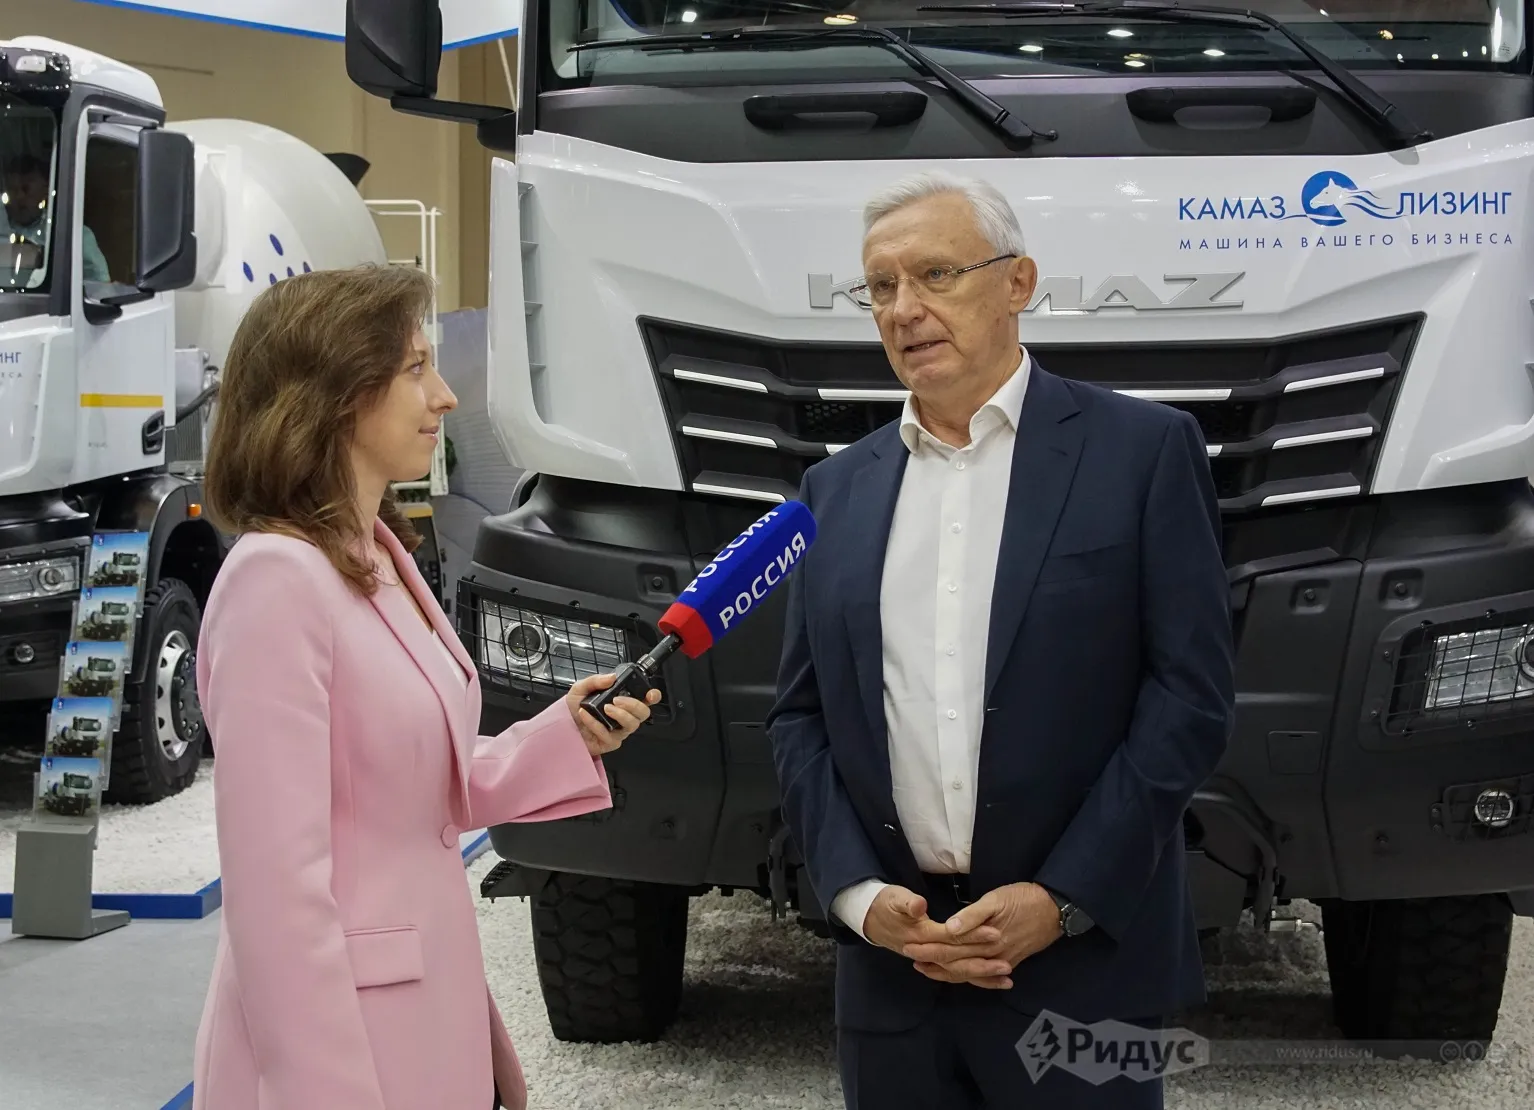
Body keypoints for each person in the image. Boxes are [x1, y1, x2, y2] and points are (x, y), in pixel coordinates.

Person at [766, 171, 1236, 1109]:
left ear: (1018, 283)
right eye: (882, 286)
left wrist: (1061, 899)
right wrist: (859, 896)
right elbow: (800, 717)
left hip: (1082, 969)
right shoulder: (835, 491)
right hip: (897, 976)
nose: (905, 309)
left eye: (936, 274)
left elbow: (1189, 697)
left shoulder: (1141, 453)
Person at [190, 263, 661, 1110]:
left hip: (424, 1022)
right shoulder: (275, 581)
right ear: (333, 394)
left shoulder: (376, 556)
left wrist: (563, 736)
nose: (445, 396)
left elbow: (410, 785)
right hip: (343, 1052)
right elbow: (275, 897)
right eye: (415, 368)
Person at [1, 154, 111, 284]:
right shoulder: (3, 230)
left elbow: (100, 287)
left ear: (45, 191)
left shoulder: (74, 236)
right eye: (12, 189)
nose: (19, 196)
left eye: (26, 189)